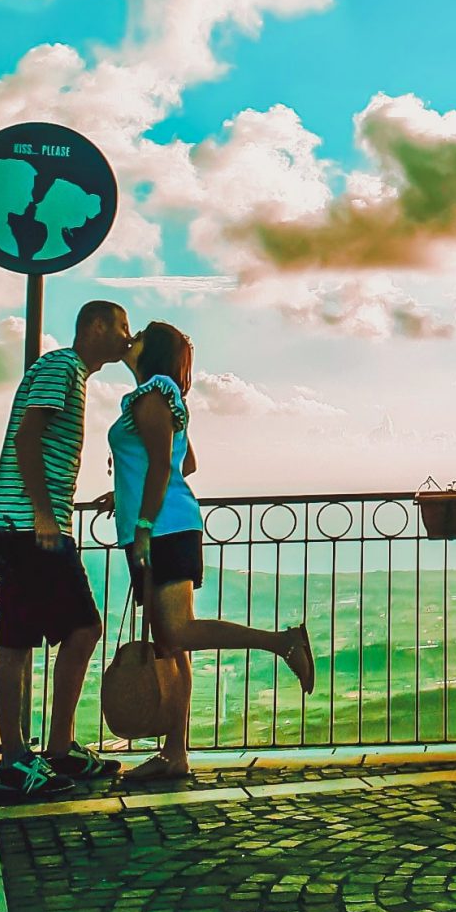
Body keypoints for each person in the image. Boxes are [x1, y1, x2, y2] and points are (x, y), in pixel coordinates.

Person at [105, 321, 314, 786]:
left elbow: (164, 466)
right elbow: (186, 462)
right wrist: (123, 492)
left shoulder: (153, 394)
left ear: (152, 351)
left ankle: (283, 643)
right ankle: (175, 753)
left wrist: (143, 522)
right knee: (172, 645)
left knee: (176, 632)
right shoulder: (158, 395)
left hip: (161, 528)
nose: (131, 338)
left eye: (139, 335)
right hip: (164, 523)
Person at [0, 300, 133, 804]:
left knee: (77, 629)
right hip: (28, 526)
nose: (127, 335)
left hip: (32, 524)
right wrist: (45, 514)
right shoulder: (60, 366)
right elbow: (28, 439)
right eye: (121, 326)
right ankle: (15, 762)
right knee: (20, 640)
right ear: (95, 326)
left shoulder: (73, 374)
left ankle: (55, 749)